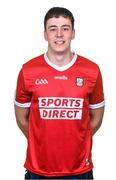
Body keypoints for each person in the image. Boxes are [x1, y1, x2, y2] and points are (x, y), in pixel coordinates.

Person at [14, 7, 105, 179]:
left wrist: (76, 138)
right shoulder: (28, 71)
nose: (59, 34)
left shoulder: (91, 71)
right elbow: (21, 118)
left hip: (79, 170)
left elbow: (97, 118)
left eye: (65, 28)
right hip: (38, 169)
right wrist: (41, 138)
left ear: (73, 33)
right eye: (53, 29)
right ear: (45, 34)